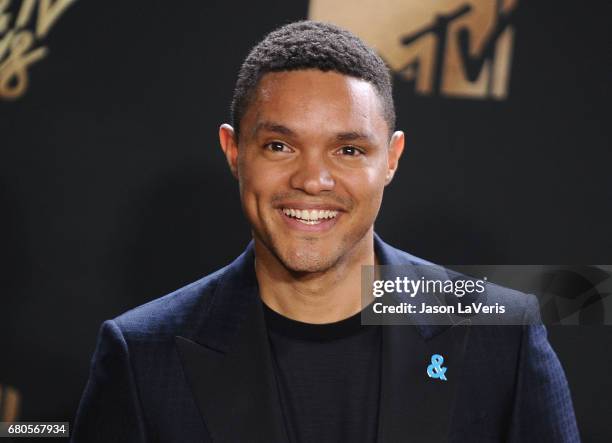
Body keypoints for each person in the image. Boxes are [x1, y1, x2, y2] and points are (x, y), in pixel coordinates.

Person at [71, 21, 580, 442]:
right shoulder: (142, 354)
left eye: (349, 150)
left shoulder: (500, 334)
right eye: (279, 146)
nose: (313, 181)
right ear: (234, 151)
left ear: (391, 159)